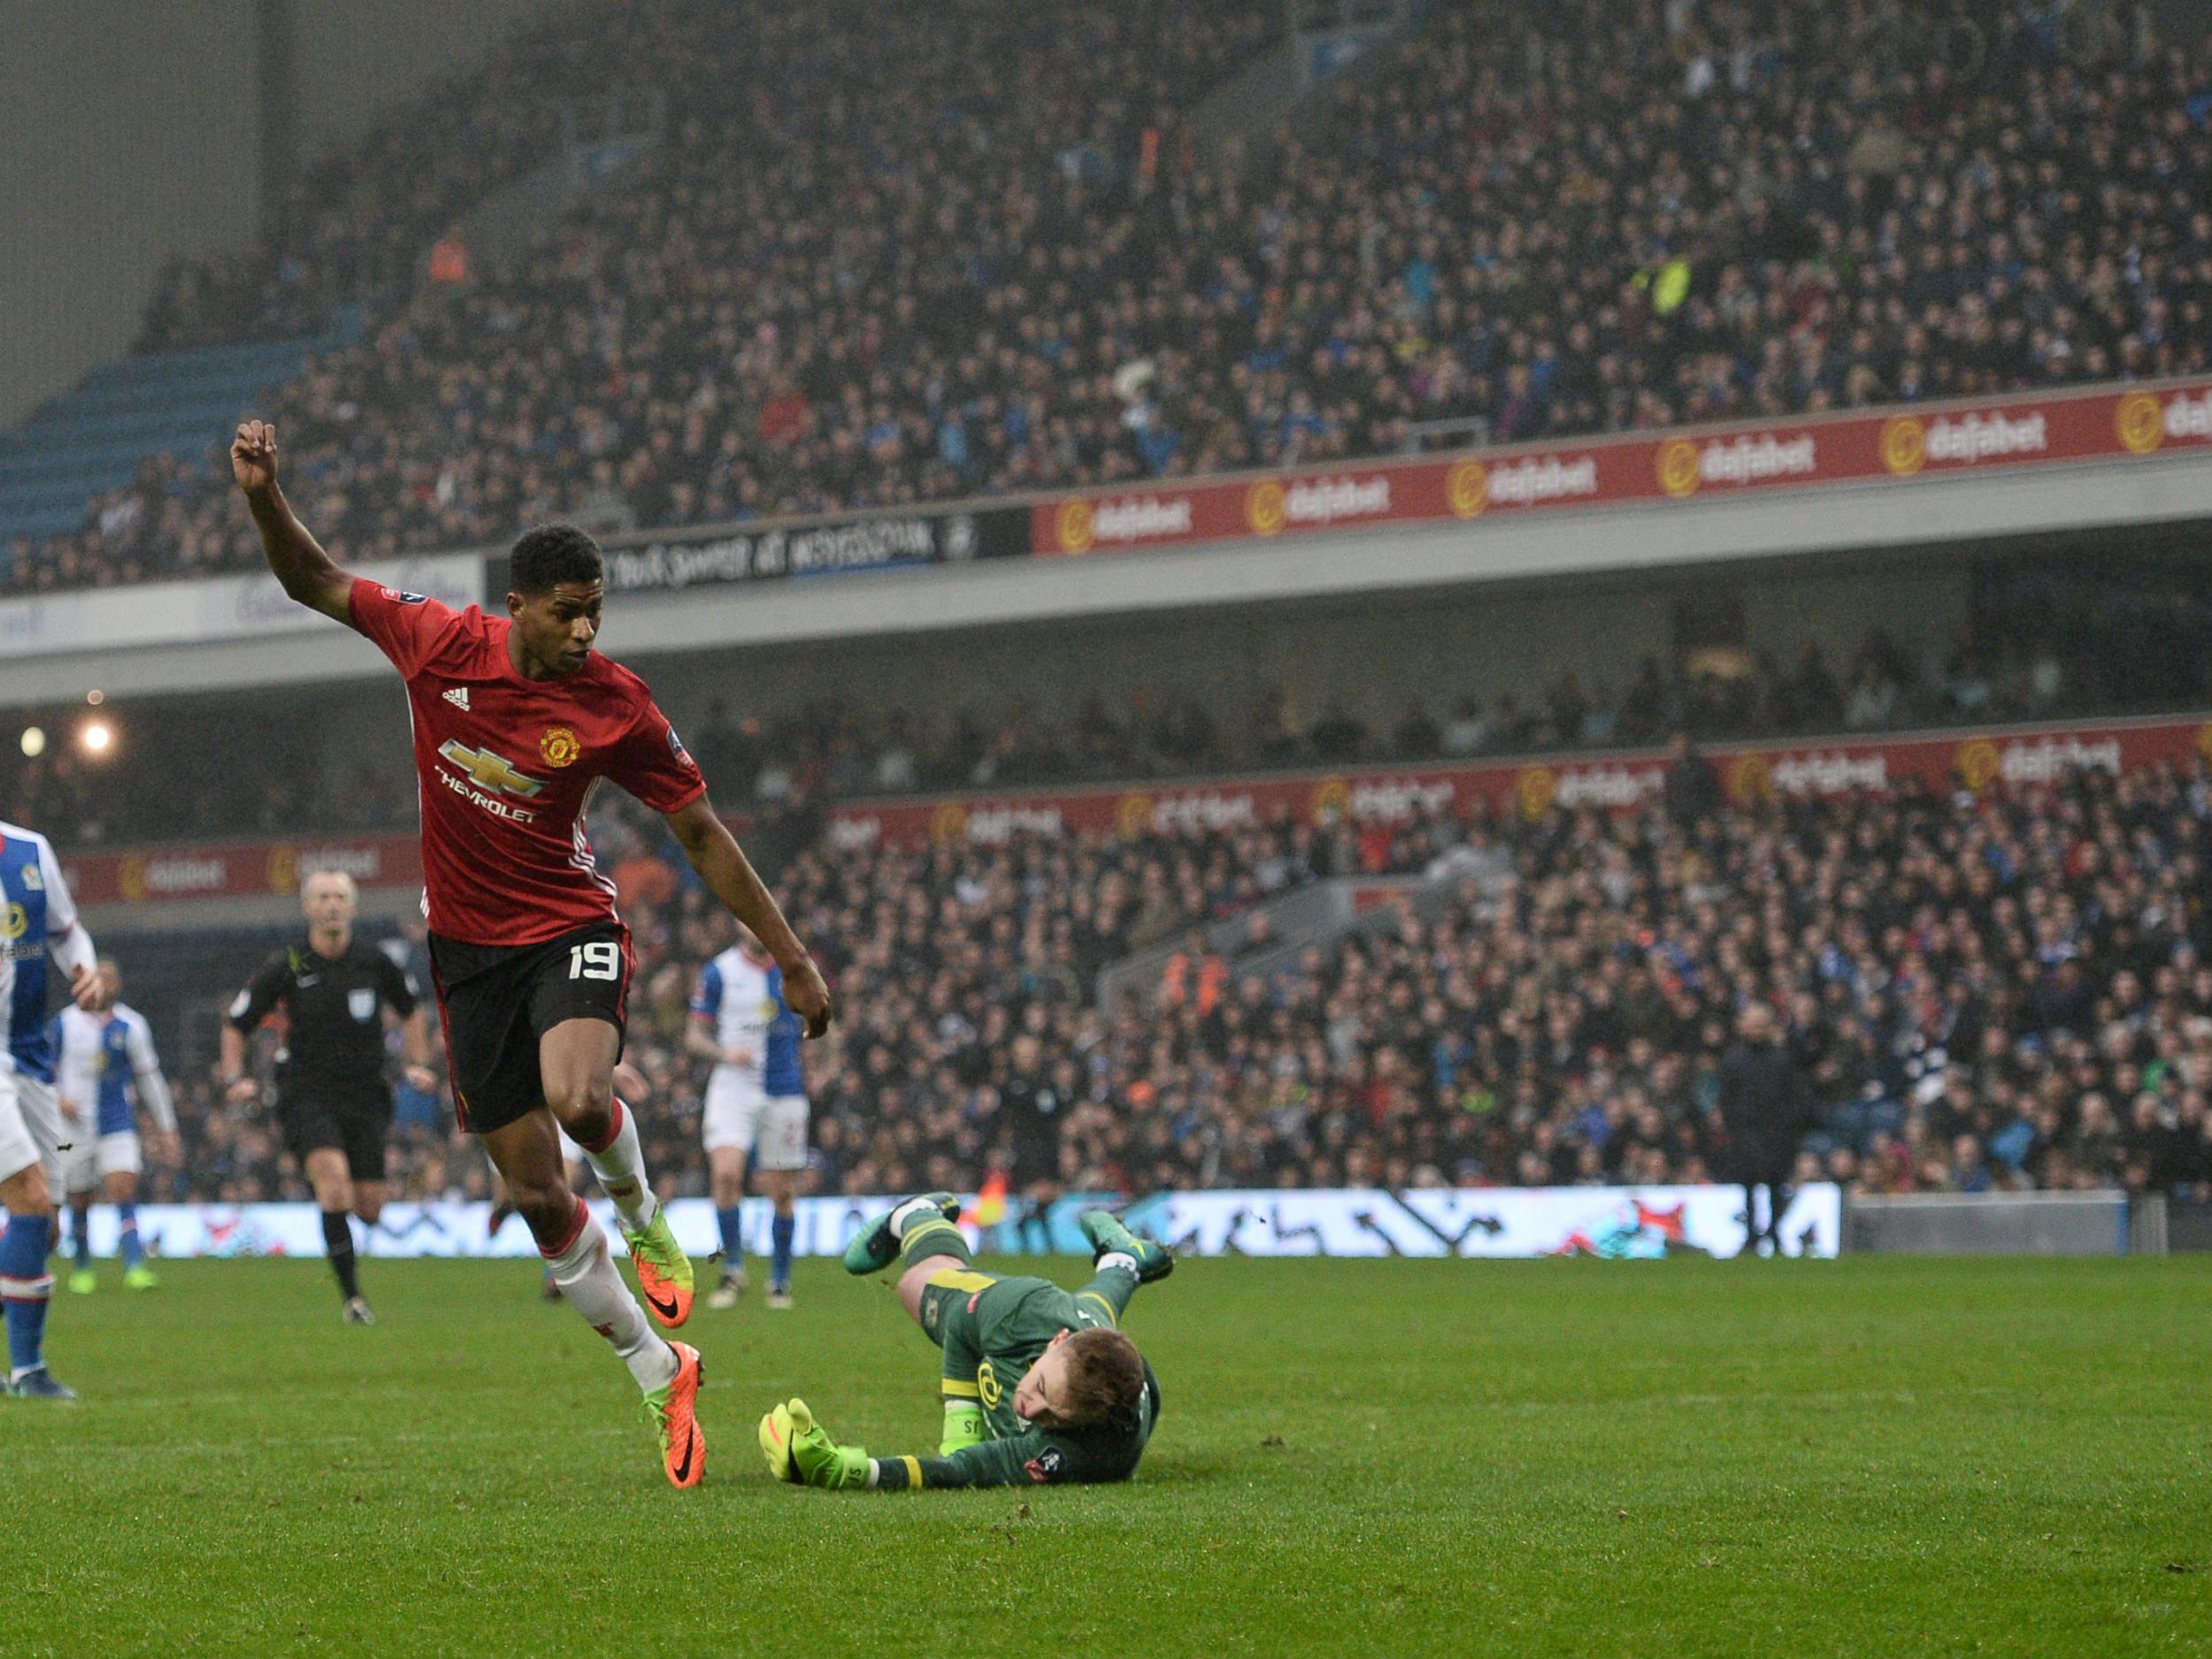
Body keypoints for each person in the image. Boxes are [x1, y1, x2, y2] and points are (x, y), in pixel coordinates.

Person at [231, 417, 833, 1487]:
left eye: (597, 610)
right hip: (466, 958)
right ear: (517, 606)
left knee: (578, 1096)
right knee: (538, 1201)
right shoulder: (435, 642)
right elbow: (311, 579)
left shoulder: (615, 702)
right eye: (567, 612)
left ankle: (645, 1215)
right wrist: (263, 495)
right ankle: (663, 1373)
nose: (585, 631)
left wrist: (786, 954)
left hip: (568, 923)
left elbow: (699, 832)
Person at [758, 1194, 1169, 1491]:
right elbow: (959, 1330)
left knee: (1093, 1315)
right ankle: (916, 1213)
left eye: (1055, 1416)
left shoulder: (1075, 1451)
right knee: (916, 1284)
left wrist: (851, 1470)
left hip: (1104, 1354)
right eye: (1041, 1387)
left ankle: (1124, 1259)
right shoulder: (1018, 1311)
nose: (1032, 1407)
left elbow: (965, 1470)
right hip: (1004, 1309)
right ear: (1055, 1343)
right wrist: (961, 1427)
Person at [220, 870, 439, 1325]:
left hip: (366, 1093)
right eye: (323, 897)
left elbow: (411, 1010)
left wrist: (417, 1063)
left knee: (370, 1207)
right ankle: (353, 1299)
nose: (332, 904)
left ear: (353, 907)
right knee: (333, 1186)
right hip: (306, 1093)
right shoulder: (290, 964)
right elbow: (237, 1023)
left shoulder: (375, 962)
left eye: (340, 896)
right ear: (308, 908)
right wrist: (235, 1077)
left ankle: (341, 1227)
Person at [0, 818, 102, 1399]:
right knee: (30, 1196)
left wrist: (82, 969)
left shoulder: (30, 849)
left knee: (45, 1226)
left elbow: (66, 931)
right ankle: (28, 1370)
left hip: (30, 1058)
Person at [687, 921, 809, 1310]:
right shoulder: (719, 971)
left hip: (783, 1088)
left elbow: (823, 1016)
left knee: (783, 1191)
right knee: (725, 1174)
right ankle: (732, 1270)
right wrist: (725, 1054)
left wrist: (828, 1064)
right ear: (738, 925)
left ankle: (779, 1280)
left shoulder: (794, 966)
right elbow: (694, 1035)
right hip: (733, 1087)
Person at [53, 959, 177, 1293]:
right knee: (79, 1198)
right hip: (72, 1128)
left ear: (118, 985)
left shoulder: (131, 1025)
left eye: (110, 979)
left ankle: (134, 1266)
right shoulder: (64, 1023)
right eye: (99, 978)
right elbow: (41, 1072)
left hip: (116, 1122)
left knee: (123, 1187)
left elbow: (149, 1078)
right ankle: (82, 1267)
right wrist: (58, 1099)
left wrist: (167, 1128)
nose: (104, 985)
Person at [1713, 1002, 1816, 1256]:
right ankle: (1751, 1235)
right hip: (1745, 1133)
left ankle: (1774, 1232)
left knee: (1775, 1185)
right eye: (1753, 1024)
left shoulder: (1782, 1059)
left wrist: (1789, 1126)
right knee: (1747, 1186)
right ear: (1743, 1026)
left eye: (1761, 1024)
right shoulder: (1733, 1060)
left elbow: (1797, 1096)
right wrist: (1734, 1129)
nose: (1757, 1029)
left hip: (1777, 1134)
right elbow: (1726, 1100)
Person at [995, 1032, 1066, 1253]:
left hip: (1048, 1146)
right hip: (1025, 1148)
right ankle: (1043, 1239)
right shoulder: (1010, 1085)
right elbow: (1003, 1119)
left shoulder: (1047, 1082)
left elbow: (1058, 1115)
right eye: (1023, 1054)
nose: (1027, 1057)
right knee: (1036, 1191)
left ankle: (1026, 1224)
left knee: (1053, 1192)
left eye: (1031, 1053)